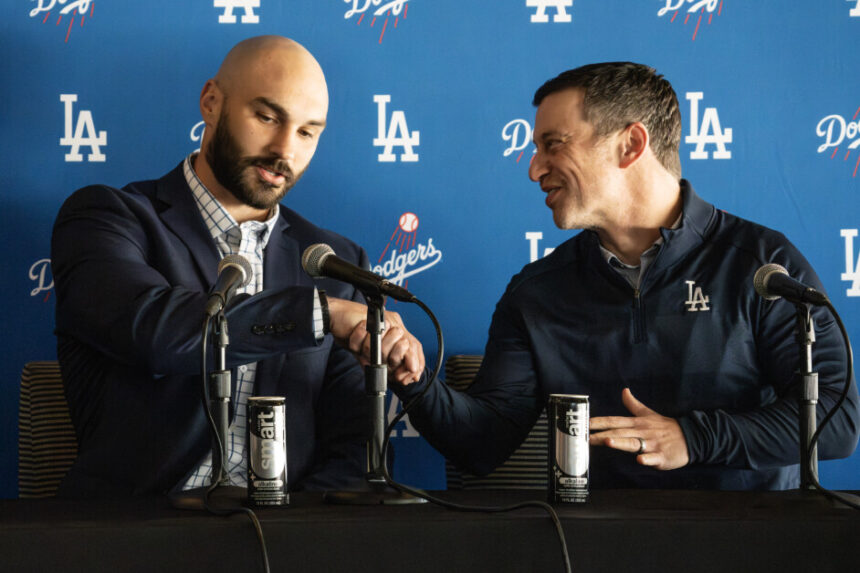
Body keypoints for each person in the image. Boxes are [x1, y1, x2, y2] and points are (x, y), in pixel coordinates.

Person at [391, 62, 860, 489]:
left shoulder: (762, 264)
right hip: (596, 542)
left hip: (749, 539)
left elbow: (837, 421)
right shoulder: (536, 292)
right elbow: (481, 445)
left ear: (631, 145)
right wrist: (409, 375)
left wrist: (692, 438)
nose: (534, 169)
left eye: (553, 144)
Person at [51, 35, 423, 497]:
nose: (285, 150)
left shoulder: (338, 263)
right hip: (139, 525)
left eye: (307, 132)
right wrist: (320, 314)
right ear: (211, 102)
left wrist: (293, 527)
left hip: (291, 528)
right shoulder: (107, 218)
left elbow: (357, 449)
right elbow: (154, 334)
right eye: (267, 117)